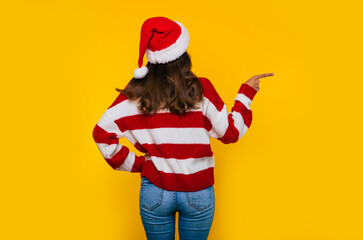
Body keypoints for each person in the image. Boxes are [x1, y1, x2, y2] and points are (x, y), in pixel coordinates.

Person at [92, 16, 274, 240]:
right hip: (198, 193)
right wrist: (245, 95)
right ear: (182, 56)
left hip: (155, 192)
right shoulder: (202, 89)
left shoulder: (134, 94)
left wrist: (141, 164)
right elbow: (231, 132)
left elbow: (102, 134)